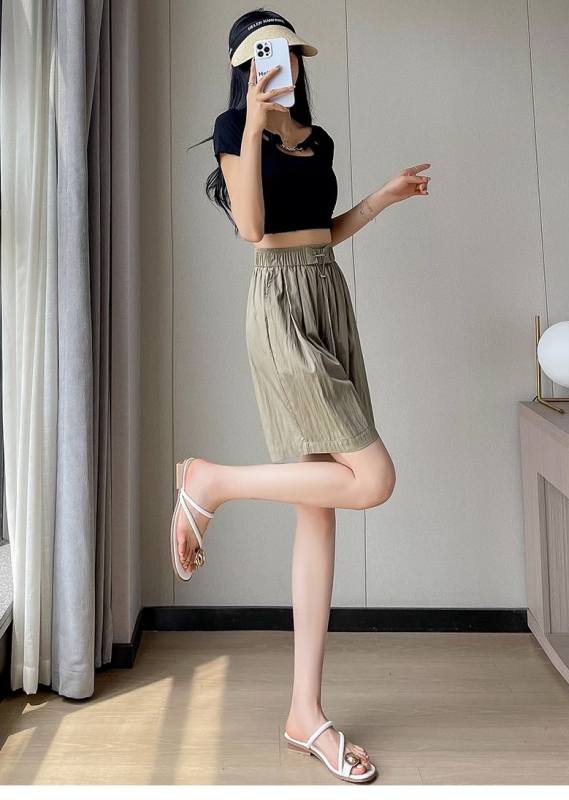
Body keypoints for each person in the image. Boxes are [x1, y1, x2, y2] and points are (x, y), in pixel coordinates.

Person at [176, 7, 431, 784]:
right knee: (372, 479)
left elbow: (321, 230)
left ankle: (303, 713)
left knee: (318, 509)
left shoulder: (317, 138)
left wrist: (381, 199)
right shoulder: (232, 127)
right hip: (279, 308)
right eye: (264, 56)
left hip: (327, 298)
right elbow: (253, 229)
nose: (279, 67)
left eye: (287, 54)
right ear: (244, 68)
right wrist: (253, 123)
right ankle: (209, 481)